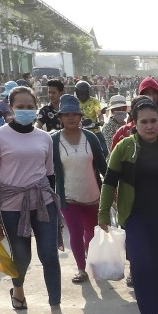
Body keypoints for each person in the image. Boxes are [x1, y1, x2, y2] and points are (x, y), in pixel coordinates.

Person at [0, 86, 69, 314]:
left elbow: (50, 175)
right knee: (22, 255)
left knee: (49, 254)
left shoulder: (44, 137)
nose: (25, 111)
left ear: (36, 107)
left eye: (30, 107)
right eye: (20, 107)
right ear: (10, 108)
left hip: (43, 202)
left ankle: (56, 307)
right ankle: (18, 289)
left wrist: (54, 203)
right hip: (12, 205)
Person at [99, 98, 158, 314]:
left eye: (153, 121)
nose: (149, 126)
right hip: (134, 217)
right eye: (143, 122)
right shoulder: (123, 148)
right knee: (141, 265)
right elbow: (109, 182)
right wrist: (103, 213)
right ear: (133, 123)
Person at [52, 94, 107, 284]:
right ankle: (81, 269)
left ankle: (92, 262)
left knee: (91, 233)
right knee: (75, 232)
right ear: (60, 118)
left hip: (92, 195)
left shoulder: (90, 138)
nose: (71, 118)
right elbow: (49, 171)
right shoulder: (54, 140)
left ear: (80, 116)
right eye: (66, 114)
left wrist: (110, 189)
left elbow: (102, 166)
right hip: (68, 197)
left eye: (75, 114)